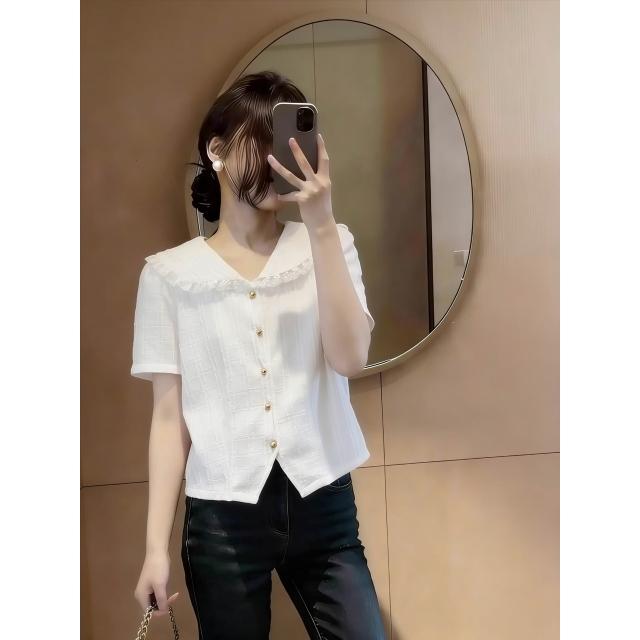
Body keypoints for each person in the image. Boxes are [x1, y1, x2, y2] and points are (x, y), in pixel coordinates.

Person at [131, 71, 385, 639]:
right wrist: (154, 549)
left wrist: (320, 224)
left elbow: (350, 359)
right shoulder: (169, 276)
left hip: (322, 500)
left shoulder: (329, 243)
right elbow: (169, 421)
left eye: (288, 141)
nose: (277, 159)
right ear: (217, 151)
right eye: (262, 141)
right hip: (222, 518)